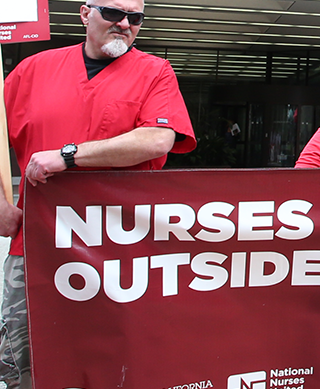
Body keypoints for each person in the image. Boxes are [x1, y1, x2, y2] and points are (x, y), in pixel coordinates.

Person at [0, 0, 197, 386]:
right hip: (38, 244)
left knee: (118, 357)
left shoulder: (154, 71)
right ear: (85, 13)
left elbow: (157, 138)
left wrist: (68, 156)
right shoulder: (33, 70)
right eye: (113, 13)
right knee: (25, 357)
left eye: (135, 18)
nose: (124, 24)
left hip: (121, 252)